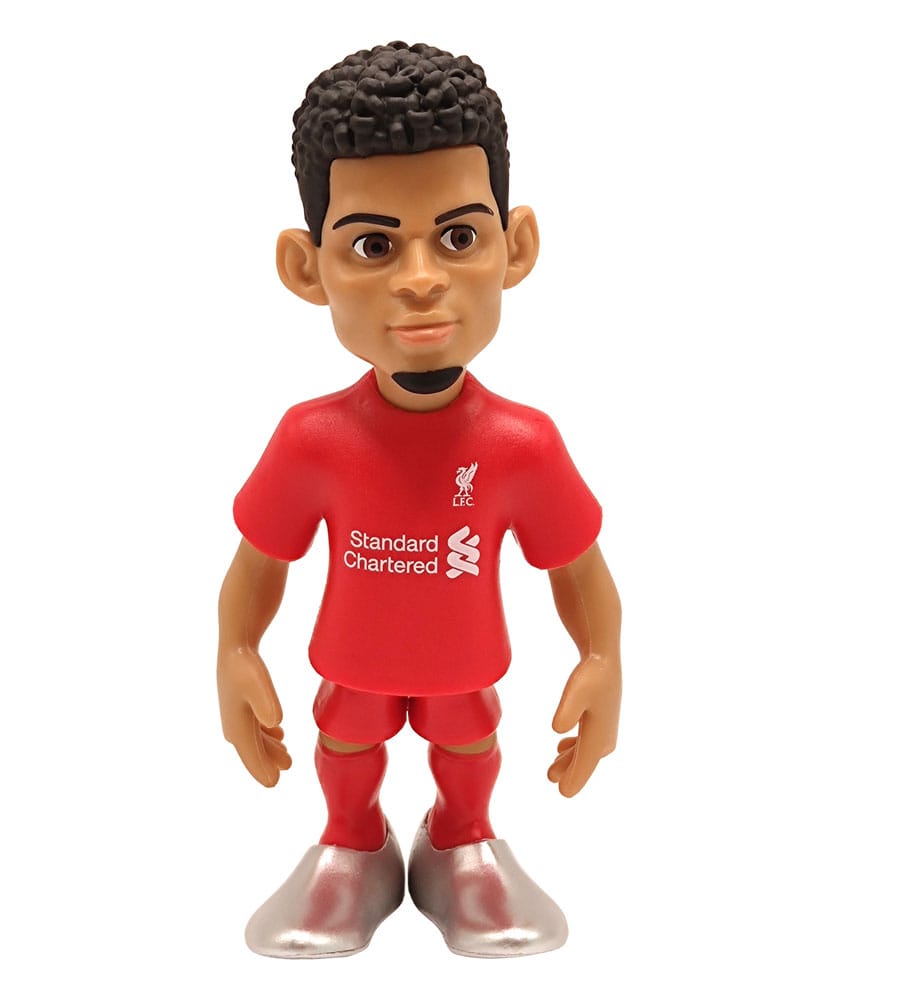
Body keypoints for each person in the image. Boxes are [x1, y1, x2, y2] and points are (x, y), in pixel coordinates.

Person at [217, 41, 622, 958]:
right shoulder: (311, 440)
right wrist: (234, 652)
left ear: (515, 247)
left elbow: (577, 566)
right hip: (353, 659)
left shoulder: (523, 446)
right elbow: (259, 560)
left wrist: (604, 659)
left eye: (459, 237)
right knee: (347, 739)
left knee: (468, 739)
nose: (420, 279)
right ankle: (353, 846)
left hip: (463, 661)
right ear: (306, 267)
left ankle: (461, 841)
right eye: (372, 246)